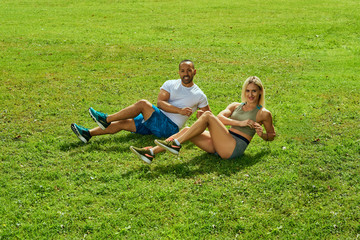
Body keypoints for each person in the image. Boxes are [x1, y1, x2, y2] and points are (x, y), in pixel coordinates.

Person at [130, 76, 275, 163]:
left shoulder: (263, 113)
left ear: (260, 92)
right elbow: (220, 118)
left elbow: (271, 135)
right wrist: (240, 123)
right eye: (248, 91)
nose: (250, 95)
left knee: (206, 115)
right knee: (187, 130)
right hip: (223, 141)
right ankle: (151, 153)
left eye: (254, 91)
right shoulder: (235, 106)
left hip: (233, 148)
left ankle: (175, 144)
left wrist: (262, 135)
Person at [71, 60, 210, 144]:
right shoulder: (169, 84)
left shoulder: (199, 95)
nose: (186, 73)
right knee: (123, 123)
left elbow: (208, 118)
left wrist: (202, 120)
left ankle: (105, 118)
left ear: (195, 72)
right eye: (182, 71)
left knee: (143, 104)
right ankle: (88, 134)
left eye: (189, 70)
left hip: (169, 128)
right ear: (179, 72)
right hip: (155, 118)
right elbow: (161, 103)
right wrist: (179, 110)